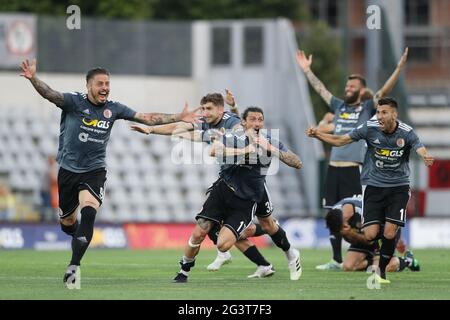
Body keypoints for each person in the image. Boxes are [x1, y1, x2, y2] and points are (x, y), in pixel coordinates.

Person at [20, 58, 201, 289]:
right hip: (67, 170)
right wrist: (33, 78)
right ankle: (77, 237)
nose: (105, 87)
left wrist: (178, 117)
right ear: (89, 86)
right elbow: (50, 94)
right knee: (67, 223)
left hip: (95, 170)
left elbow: (146, 118)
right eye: (100, 83)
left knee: (89, 212)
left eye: (107, 83)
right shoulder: (74, 102)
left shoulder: (113, 108)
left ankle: (74, 265)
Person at [132, 92, 302, 280]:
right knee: (207, 228)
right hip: (227, 183)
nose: (204, 113)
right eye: (203, 108)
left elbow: (294, 160)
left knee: (267, 225)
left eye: (208, 109)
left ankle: (277, 252)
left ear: (221, 110)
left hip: (254, 189)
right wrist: (151, 130)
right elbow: (186, 131)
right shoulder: (214, 127)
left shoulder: (237, 127)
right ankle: (194, 267)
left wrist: (268, 148)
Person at [296, 48, 409, 270]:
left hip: (353, 168)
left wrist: (399, 68)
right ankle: (336, 259)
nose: (348, 89)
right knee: (333, 213)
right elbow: (321, 90)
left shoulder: (367, 108)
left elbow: (385, 89)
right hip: (333, 167)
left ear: (361, 90)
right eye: (347, 87)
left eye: (352, 87)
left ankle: (380, 251)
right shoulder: (339, 106)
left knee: (355, 212)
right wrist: (308, 71)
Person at [307, 96, 434, 283]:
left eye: (384, 112)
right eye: (377, 112)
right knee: (370, 234)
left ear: (394, 114)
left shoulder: (406, 132)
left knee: (389, 232)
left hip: (398, 187)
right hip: (373, 187)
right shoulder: (369, 127)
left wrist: (425, 157)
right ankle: (381, 259)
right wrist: (318, 135)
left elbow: (419, 147)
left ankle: (381, 271)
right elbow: (342, 140)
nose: (379, 116)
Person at [325, 196, 420, 273]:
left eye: (342, 229)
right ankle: (372, 261)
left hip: (382, 233)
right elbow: (351, 237)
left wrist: (398, 238)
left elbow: (372, 238)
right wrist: (350, 233)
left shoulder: (365, 212)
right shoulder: (335, 216)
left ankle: (407, 261)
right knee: (348, 266)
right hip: (363, 236)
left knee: (384, 268)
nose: (342, 232)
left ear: (345, 223)